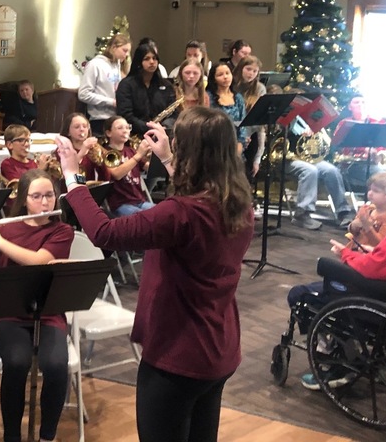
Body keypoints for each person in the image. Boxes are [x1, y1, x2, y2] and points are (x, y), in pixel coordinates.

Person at [57, 106, 254, 442]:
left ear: (191, 151)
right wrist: (166, 156)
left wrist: (73, 178)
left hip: (179, 354)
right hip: (220, 347)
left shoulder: (181, 214)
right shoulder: (237, 201)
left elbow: (104, 232)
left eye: (179, 142)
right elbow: (194, 198)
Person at [0, 169, 74, 442]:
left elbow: (39, 261)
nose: (44, 202)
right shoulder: (7, 227)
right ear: (24, 199)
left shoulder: (62, 230)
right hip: (7, 313)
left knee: (57, 365)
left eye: (49, 195)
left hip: (48, 313)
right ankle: (11, 436)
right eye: (36, 196)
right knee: (16, 361)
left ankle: (47, 435)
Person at [286, 166, 386, 389]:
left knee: (300, 294)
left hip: (383, 302)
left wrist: (345, 254)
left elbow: (371, 269)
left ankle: (338, 360)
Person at [287, 119, 354, 231]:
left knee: (332, 171)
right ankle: (302, 214)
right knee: (310, 170)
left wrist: (314, 129)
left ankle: (343, 211)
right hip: (289, 158)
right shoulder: (286, 115)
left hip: (309, 158)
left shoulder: (307, 118)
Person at [116, 42, 177, 139]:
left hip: (162, 134)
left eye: (154, 58)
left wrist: (164, 126)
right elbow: (125, 114)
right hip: (134, 135)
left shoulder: (166, 86)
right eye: (147, 59)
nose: (152, 62)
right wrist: (147, 127)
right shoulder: (126, 85)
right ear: (139, 61)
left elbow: (174, 113)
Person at [95, 116, 154, 215]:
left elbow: (151, 168)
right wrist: (139, 155)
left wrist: (157, 154)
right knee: (144, 218)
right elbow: (117, 174)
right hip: (120, 204)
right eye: (120, 128)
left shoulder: (131, 150)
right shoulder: (105, 152)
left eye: (127, 127)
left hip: (140, 200)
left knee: (162, 213)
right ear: (108, 133)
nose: (125, 131)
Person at [78, 33, 131, 135]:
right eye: (124, 50)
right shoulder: (95, 64)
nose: (127, 54)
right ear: (114, 47)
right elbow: (83, 94)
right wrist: (111, 102)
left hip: (117, 119)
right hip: (100, 120)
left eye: (128, 51)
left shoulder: (118, 67)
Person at [346, 171, 386, 249]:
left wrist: (367, 226)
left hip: (369, 256)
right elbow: (353, 232)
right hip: (353, 250)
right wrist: (354, 225)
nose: (370, 193)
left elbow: (380, 245)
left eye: (376, 191)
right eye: (370, 189)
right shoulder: (368, 209)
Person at [232, 55, 266, 177]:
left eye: (254, 71)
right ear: (241, 68)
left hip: (252, 136)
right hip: (233, 134)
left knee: (247, 173)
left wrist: (258, 159)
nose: (251, 73)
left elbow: (259, 124)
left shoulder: (260, 89)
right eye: (248, 69)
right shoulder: (232, 86)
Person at [56, 112, 106, 186]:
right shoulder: (62, 150)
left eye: (85, 126)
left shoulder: (93, 148)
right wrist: (82, 152)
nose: (82, 129)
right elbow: (66, 174)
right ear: (68, 132)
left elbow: (105, 177)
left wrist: (102, 162)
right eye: (77, 127)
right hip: (70, 191)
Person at [207, 63, 246, 154]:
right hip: (216, 145)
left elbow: (243, 123)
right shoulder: (208, 97)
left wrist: (240, 144)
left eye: (227, 73)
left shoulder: (238, 97)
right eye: (220, 75)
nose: (225, 77)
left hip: (237, 143)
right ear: (214, 79)